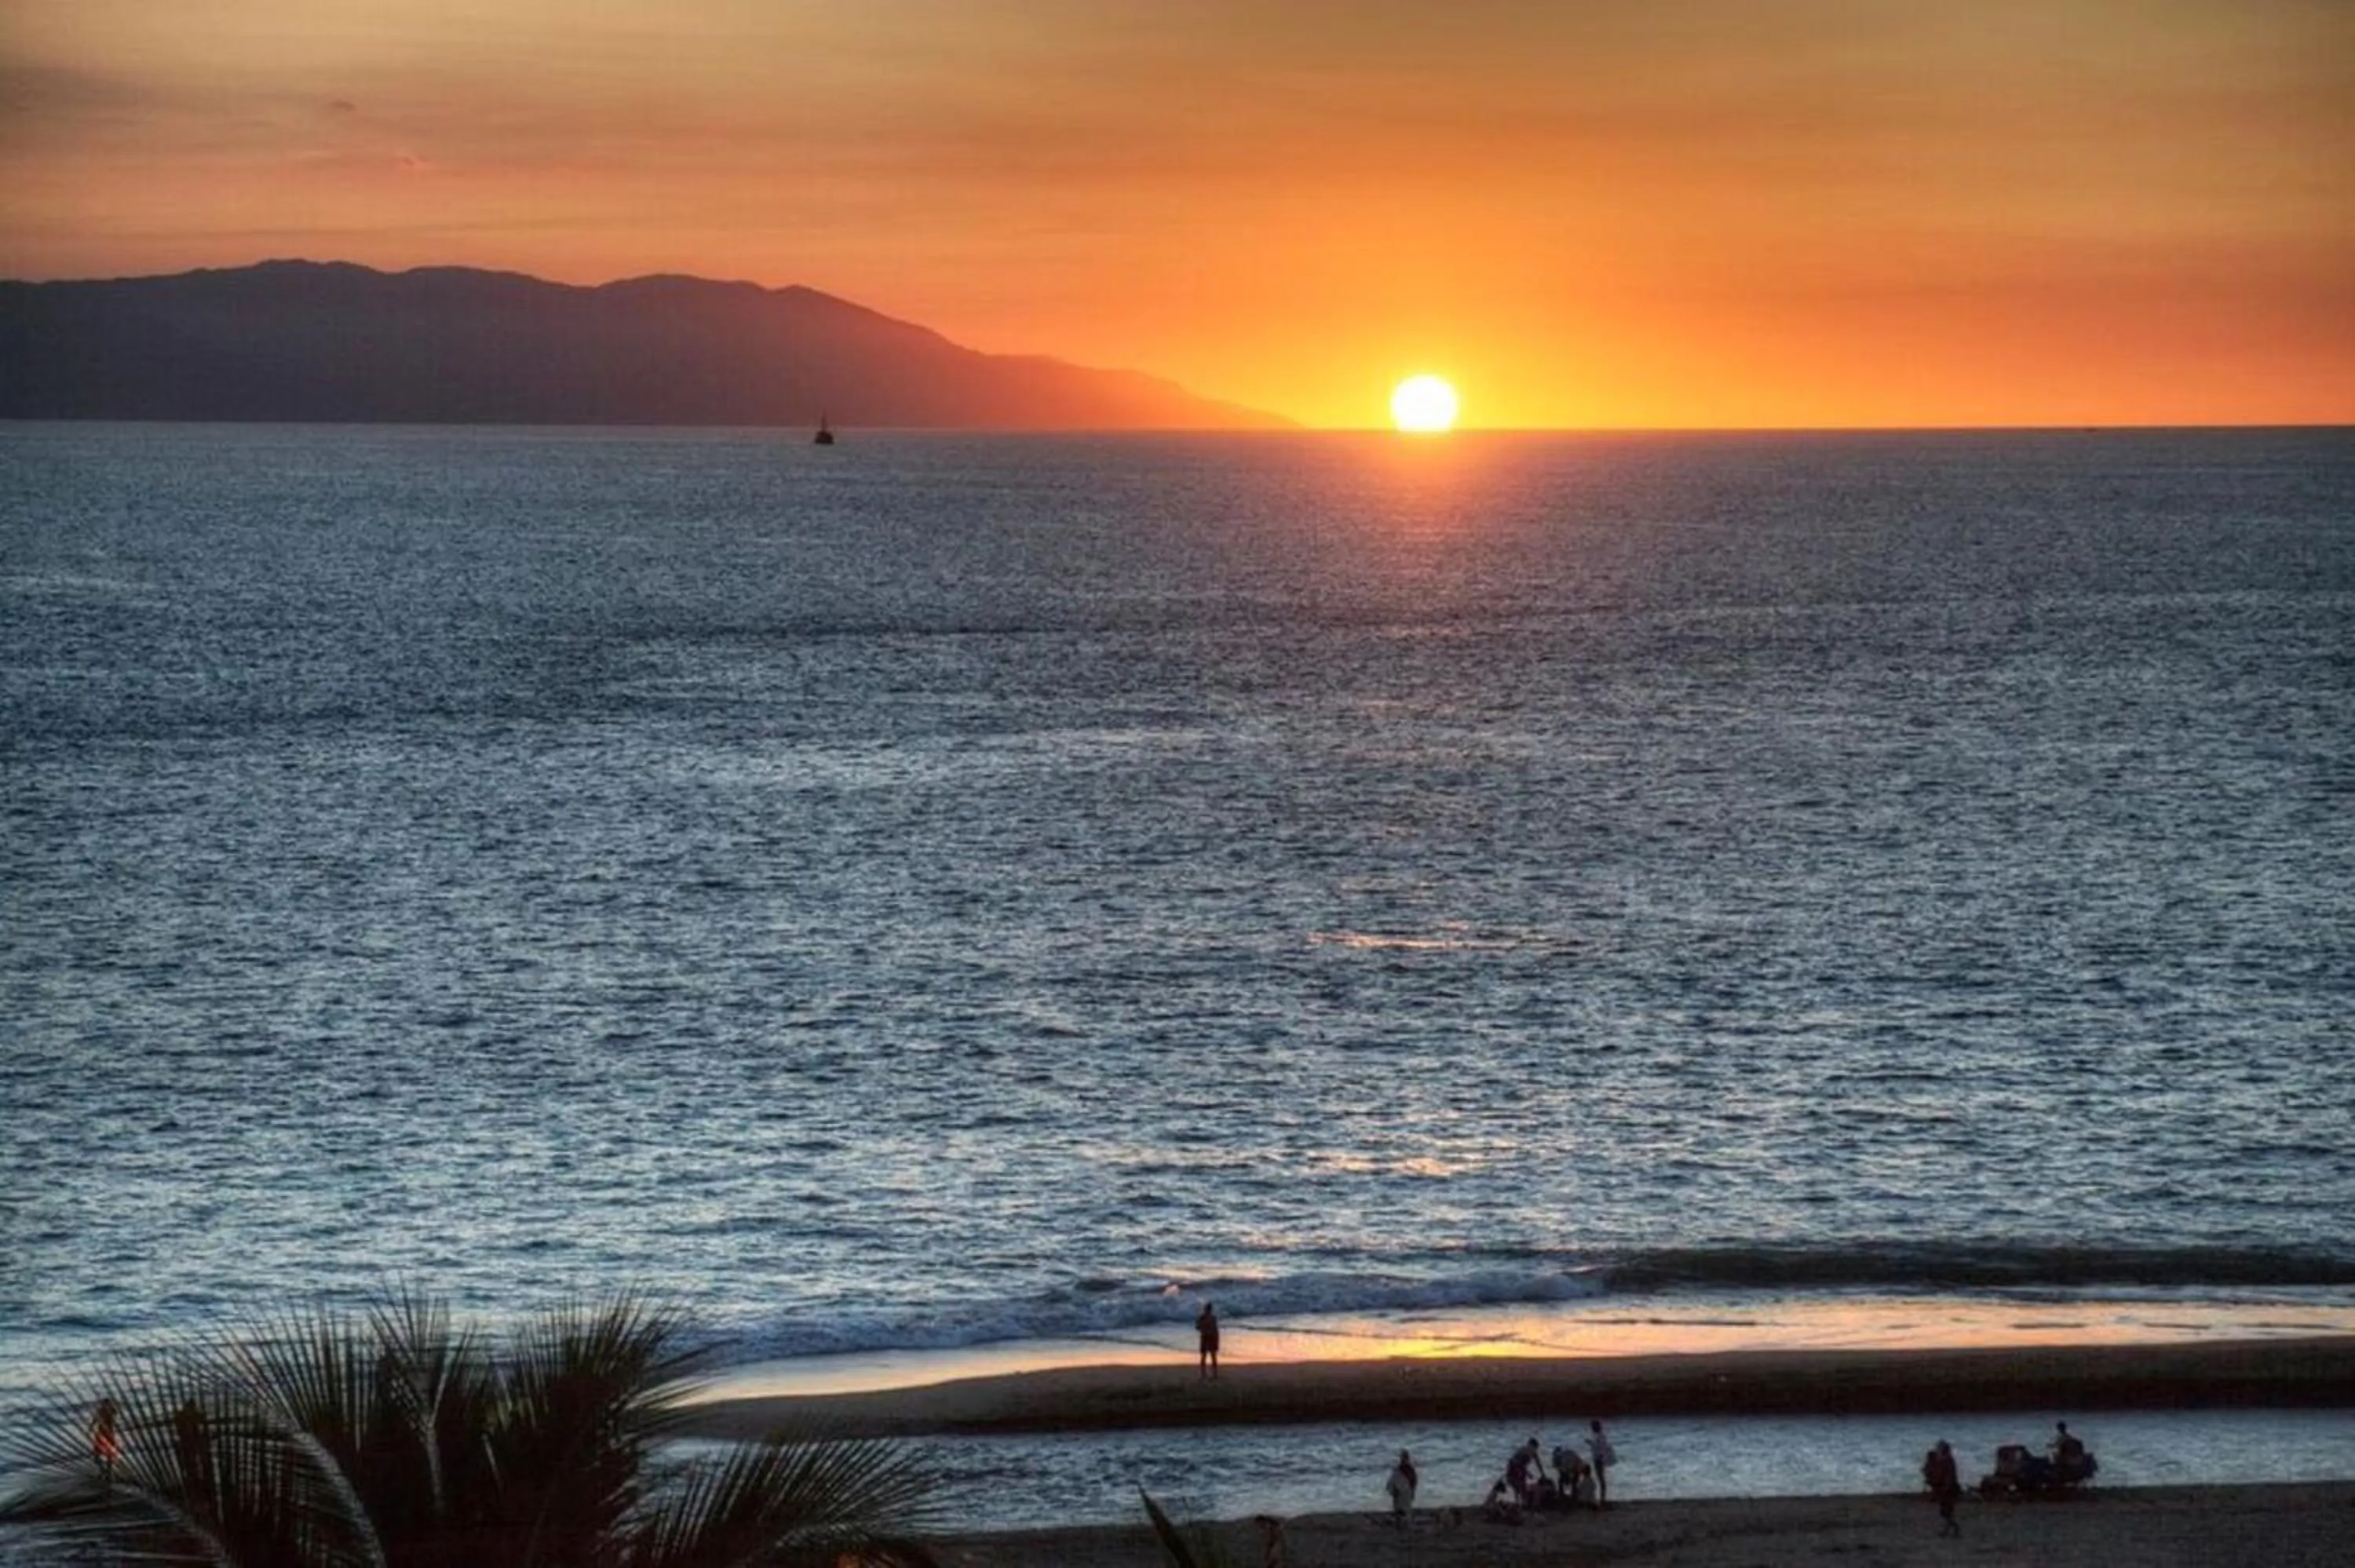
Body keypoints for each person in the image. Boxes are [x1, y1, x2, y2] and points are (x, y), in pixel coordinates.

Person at [1922, 1439, 1962, 1537]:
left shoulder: (1947, 1461)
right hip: (1944, 1488)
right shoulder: (1942, 1460)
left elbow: (1948, 1476)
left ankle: (1953, 1529)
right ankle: (1950, 1530)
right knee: (1945, 1511)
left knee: (1947, 1511)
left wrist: (1945, 1486)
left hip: (1948, 1489)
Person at [89, 1398, 122, 1482]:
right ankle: (104, 1471)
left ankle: (109, 1472)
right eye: (104, 1404)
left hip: (109, 1434)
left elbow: (117, 1411)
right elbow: (95, 1420)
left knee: (109, 1455)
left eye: (107, 1404)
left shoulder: (112, 1411)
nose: (105, 1406)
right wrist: (90, 1428)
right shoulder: (100, 1411)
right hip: (102, 1434)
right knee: (96, 1455)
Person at [1586, 1418, 1616, 1508]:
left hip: (1599, 1459)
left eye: (1593, 1426)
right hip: (1598, 1459)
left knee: (1601, 1478)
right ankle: (1602, 1498)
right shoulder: (1598, 1436)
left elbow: (1600, 1448)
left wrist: (1590, 1443)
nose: (1592, 1428)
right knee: (1600, 1478)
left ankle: (1602, 1498)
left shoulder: (1600, 1436)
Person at [1505, 1437, 1543, 1506]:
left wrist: (1542, 1474)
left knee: (1518, 1486)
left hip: (1512, 1468)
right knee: (1521, 1486)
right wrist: (1528, 1473)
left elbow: (1538, 1462)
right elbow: (1519, 1464)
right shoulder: (1528, 1452)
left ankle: (1519, 1502)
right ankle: (1522, 1503)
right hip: (1514, 1468)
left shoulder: (1525, 1450)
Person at [1386, 1449, 1418, 1524]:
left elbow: (1391, 1483)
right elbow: (1414, 1481)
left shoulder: (1400, 1470)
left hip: (1402, 1492)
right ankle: (1402, 1520)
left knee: (1401, 1511)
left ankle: (1400, 1520)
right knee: (1403, 1511)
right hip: (1404, 1492)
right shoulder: (1408, 1469)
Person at [1195, 1302, 1220, 1380]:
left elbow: (1198, 1327)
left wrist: (1202, 1325)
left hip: (1207, 1337)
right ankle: (1213, 1374)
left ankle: (1204, 1374)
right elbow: (1215, 1330)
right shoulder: (1213, 1318)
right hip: (1210, 1337)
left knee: (1205, 1356)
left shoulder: (1203, 1318)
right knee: (1211, 1356)